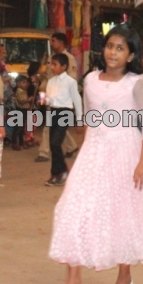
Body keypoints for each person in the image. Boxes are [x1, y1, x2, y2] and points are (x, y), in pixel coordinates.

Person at [45, 26, 143, 284]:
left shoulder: (135, 83)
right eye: (110, 46)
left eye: (120, 48)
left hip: (126, 155)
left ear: (131, 55)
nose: (113, 52)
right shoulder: (91, 79)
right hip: (93, 154)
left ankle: (124, 276)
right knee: (71, 209)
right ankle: (73, 281)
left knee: (122, 214)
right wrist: (86, 149)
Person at [37, 33, 79, 162]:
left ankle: (44, 152)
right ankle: (71, 146)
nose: (51, 43)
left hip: (61, 99)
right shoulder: (51, 57)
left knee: (50, 125)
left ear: (61, 43)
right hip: (51, 95)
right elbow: (49, 77)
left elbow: (72, 78)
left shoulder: (69, 58)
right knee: (57, 125)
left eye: (53, 41)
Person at [44, 53, 83, 187]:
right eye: (51, 64)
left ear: (64, 66)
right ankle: (55, 173)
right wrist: (45, 100)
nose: (52, 67)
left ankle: (63, 170)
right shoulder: (51, 81)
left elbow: (77, 100)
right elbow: (50, 98)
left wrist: (79, 119)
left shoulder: (70, 82)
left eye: (55, 64)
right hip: (53, 112)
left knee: (56, 142)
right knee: (52, 144)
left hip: (65, 112)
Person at [12, 75, 30, 150]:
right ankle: (15, 143)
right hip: (20, 110)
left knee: (21, 127)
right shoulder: (20, 91)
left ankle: (21, 143)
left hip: (24, 110)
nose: (26, 84)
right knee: (18, 127)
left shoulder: (23, 91)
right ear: (18, 84)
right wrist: (29, 99)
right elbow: (22, 101)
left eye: (26, 82)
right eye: (23, 82)